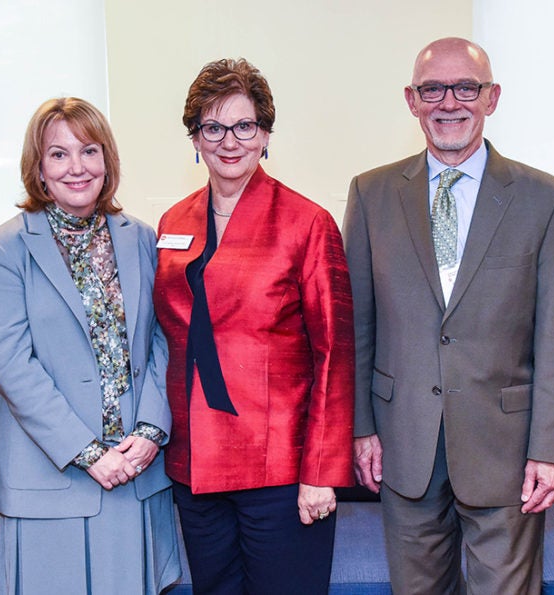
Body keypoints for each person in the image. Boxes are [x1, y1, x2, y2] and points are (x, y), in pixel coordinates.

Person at [343, 37, 554, 594]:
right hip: (403, 443)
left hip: (508, 450)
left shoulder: (546, 198)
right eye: (432, 89)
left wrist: (552, 452)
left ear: (491, 97)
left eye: (466, 88)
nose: (449, 102)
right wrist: (361, 428)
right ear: (411, 100)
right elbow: (358, 325)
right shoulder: (371, 194)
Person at [153, 58, 355, 594]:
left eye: (244, 126)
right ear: (195, 137)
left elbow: (333, 355)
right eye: (212, 127)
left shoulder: (305, 222)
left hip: (281, 467)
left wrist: (320, 471)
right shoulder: (174, 222)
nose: (229, 141)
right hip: (194, 462)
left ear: (265, 133)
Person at [0, 97, 180, 594]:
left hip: (136, 472)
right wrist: (88, 453)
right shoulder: (3, 250)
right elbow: (12, 365)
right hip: (52, 476)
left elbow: (161, 338)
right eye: (59, 154)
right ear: (39, 169)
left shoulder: (141, 239)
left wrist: (153, 429)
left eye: (89, 151)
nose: (77, 168)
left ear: (107, 160)